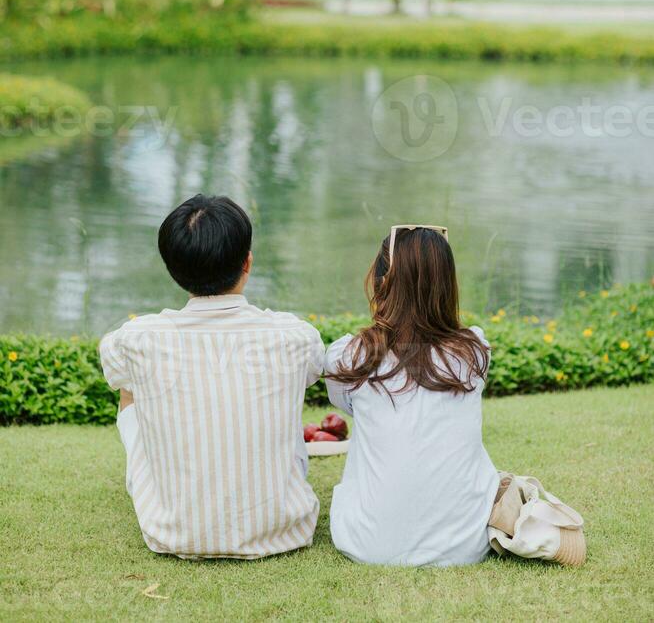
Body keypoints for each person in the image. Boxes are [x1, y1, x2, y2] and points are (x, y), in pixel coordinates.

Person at [99, 194, 324, 560]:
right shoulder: (294, 336)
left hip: (172, 533)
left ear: (173, 270)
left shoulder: (138, 339)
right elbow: (314, 370)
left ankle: (176, 493)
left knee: (130, 386)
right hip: (285, 531)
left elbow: (114, 368)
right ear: (247, 262)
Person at [325, 225, 499, 567]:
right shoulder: (474, 352)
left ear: (379, 283)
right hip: (466, 544)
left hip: (368, 543)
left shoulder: (351, 356)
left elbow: (343, 402)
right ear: (447, 286)